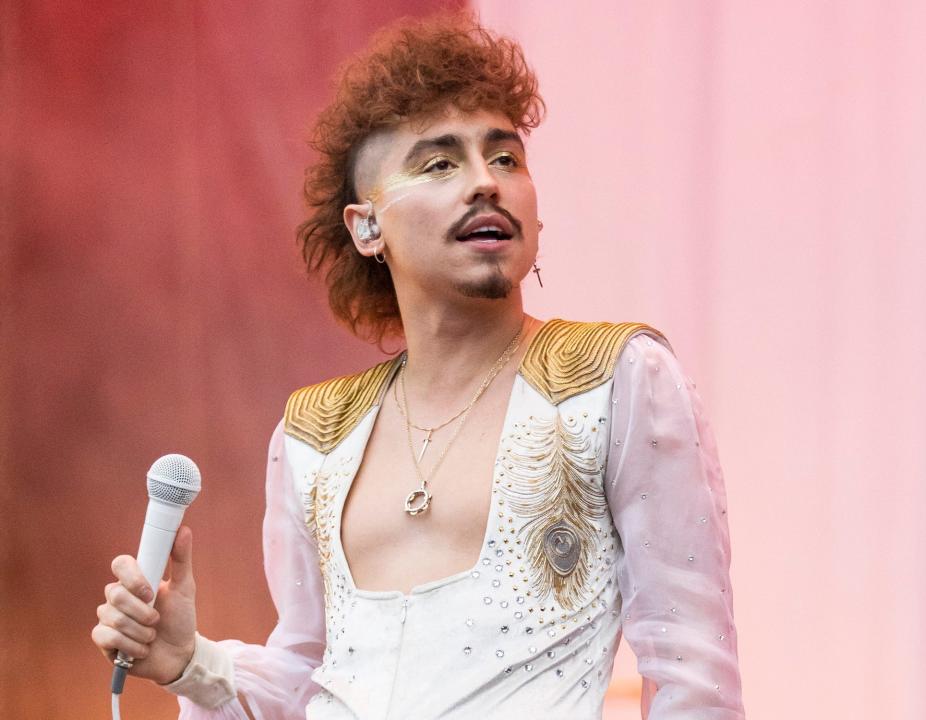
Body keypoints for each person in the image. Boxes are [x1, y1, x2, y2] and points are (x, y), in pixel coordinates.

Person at [92, 13, 745, 719]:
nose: (485, 184)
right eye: (440, 163)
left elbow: (692, 673)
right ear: (366, 226)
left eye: (505, 158)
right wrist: (194, 664)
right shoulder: (316, 438)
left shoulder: (613, 380)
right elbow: (311, 677)